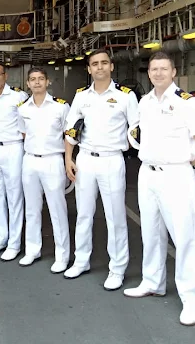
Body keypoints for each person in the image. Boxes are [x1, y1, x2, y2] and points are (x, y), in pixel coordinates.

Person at [124, 51, 195, 326]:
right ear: (148, 73)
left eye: (164, 69)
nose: (158, 73)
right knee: (151, 233)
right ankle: (153, 281)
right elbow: (137, 134)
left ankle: (192, 299)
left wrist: (184, 163)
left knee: (184, 238)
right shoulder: (145, 103)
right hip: (147, 174)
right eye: (154, 69)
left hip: (175, 175)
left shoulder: (188, 103)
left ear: (174, 72)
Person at [63, 49, 138, 290]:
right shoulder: (81, 96)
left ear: (111, 67)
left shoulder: (126, 97)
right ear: (89, 69)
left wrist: (127, 146)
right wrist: (68, 158)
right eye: (95, 64)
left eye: (104, 63)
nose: (100, 67)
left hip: (111, 160)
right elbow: (71, 129)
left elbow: (137, 129)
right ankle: (82, 260)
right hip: (85, 159)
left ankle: (117, 269)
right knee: (83, 213)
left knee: (115, 217)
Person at [17, 67, 70, 272]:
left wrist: (67, 160)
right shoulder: (23, 108)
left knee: (57, 210)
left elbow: (68, 135)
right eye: (33, 79)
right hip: (30, 161)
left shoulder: (60, 107)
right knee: (31, 209)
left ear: (47, 82)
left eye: (41, 79)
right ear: (28, 84)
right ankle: (32, 250)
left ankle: (62, 255)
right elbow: (23, 134)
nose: (37, 82)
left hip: (52, 160)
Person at [0, 63, 28, 261]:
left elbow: (28, 125)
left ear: (5, 75)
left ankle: (14, 243)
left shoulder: (19, 97)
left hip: (13, 147)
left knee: (14, 196)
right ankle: (0, 238)